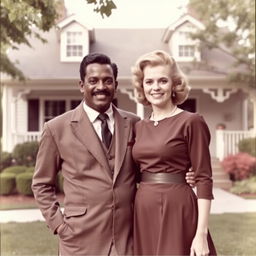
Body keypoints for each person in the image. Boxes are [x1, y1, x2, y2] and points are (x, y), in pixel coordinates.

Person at [32, 53, 195, 256]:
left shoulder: (135, 123)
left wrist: (183, 174)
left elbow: (149, 166)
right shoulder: (56, 128)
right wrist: (59, 225)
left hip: (128, 237)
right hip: (79, 239)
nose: (101, 86)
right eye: (93, 81)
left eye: (107, 81)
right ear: (82, 85)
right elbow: (41, 184)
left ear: (115, 85)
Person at [131, 50, 217, 255]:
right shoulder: (138, 127)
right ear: (142, 86)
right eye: (149, 82)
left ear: (174, 85)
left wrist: (201, 234)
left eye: (162, 81)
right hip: (143, 208)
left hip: (177, 207)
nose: (155, 87)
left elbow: (204, 178)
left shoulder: (191, 122)